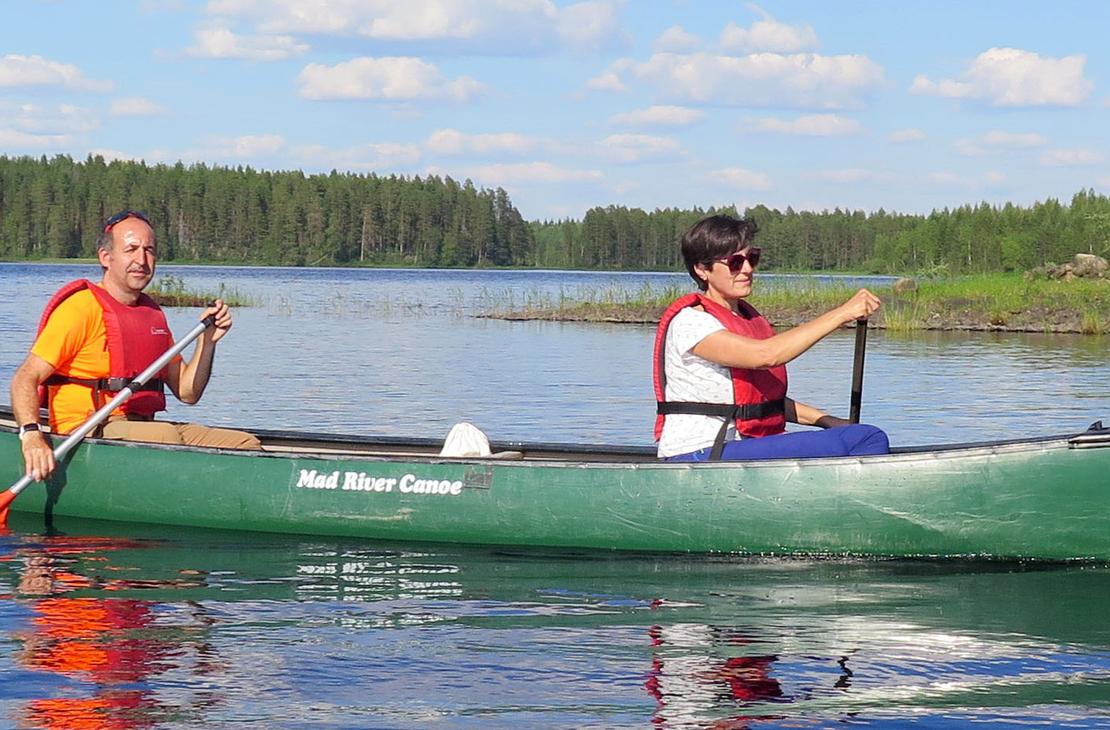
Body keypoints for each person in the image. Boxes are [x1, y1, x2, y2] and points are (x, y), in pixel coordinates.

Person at [11, 209, 261, 481]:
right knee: (165, 437)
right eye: (131, 249)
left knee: (245, 444)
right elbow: (25, 378)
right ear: (106, 257)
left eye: (149, 250)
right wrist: (32, 434)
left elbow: (188, 392)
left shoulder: (151, 315)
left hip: (144, 429)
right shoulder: (81, 309)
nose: (141, 260)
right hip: (88, 430)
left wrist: (207, 343)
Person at [654, 214, 890, 461]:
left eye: (752, 258)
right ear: (702, 269)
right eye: (735, 262)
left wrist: (827, 421)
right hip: (697, 452)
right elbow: (767, 356)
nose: (747, 269)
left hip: (737, 449)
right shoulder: (691, 322)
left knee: (852, 435)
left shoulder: (746, 320)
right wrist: (843, 313)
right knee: (867, 438)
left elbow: (765, 403)